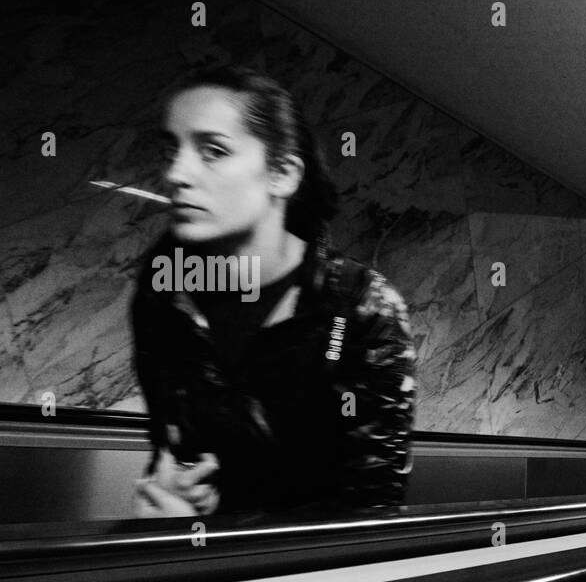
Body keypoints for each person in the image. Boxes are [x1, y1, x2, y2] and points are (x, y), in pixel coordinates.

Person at [131, 66, 416, 519]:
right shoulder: (163, 290)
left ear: (282, 173)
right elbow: (172, 445)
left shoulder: (359, 308)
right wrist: (172, 488)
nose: (176, 173)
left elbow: (371, 513)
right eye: (172, 150)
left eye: (213, 151)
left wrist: (224, 531)